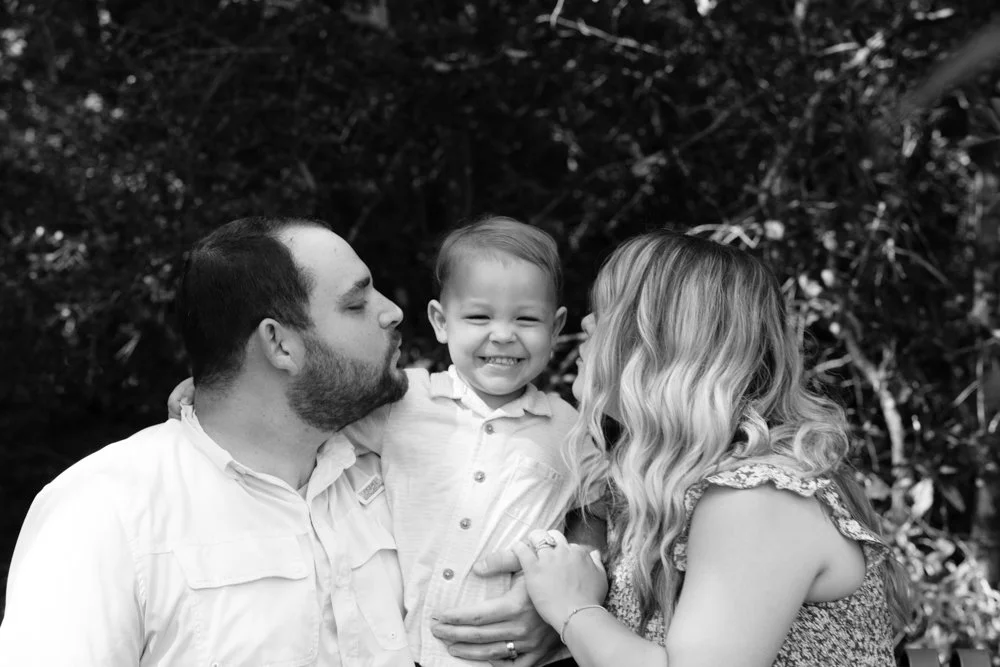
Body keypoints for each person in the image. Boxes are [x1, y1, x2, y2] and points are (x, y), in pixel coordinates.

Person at [0, 216, 551, 666]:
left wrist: (544, 607)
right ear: (280, 345)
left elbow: (554, 485)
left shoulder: (395, 467)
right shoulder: (105, 509)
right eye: (356, 303)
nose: (392, 311)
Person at [169, 216, 604, 667]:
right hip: (414, 652)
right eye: (479, 316)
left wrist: (567, 594)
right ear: (440, 321)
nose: (503, 334)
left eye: (526, 319)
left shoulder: (570, 428)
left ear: (556, 328)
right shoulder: (404, 403)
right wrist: (216, 389)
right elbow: (299, 412)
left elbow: (606, 508)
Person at [492, 230, 912, 667]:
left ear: (665, 344)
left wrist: (570, 609)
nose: (587, 324)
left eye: (609, 311)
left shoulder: (758, 498)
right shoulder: (664, 486)